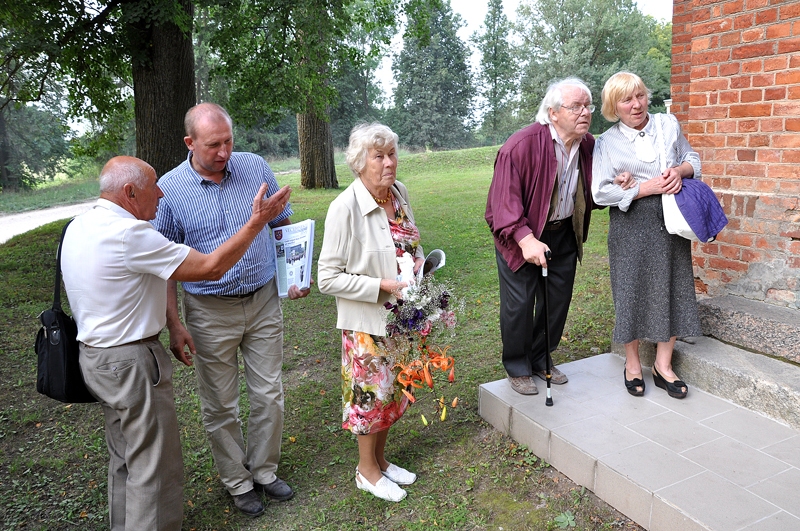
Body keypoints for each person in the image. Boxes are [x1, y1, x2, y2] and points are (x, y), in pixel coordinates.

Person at [61, 156, 286, 530]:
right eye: (153, 187)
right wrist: (256, 223)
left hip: (96, 358)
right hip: (131, 360)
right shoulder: (130, 234)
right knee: (155, 466)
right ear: (130, 193)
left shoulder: (79, 226)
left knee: (125, 459)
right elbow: (211, 266)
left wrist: (172, 322)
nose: (161, 193)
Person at [152, 103, 310, 517]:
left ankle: (264, 471)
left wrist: (295, 272)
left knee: (269, 393)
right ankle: (237, 482)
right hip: (208, 309)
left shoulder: (254, 167)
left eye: (228, 141)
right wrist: (174, 323)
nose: (224, 152)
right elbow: (165, 268)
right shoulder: (170, 190)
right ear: (190, 143)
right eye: (213, 145)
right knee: (220, 404)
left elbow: (282, 226)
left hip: (262, 299)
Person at [317, 123, 423, 502]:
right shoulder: (344, 207)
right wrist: (381, 285)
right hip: (366, 322)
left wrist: (420, 264)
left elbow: (411, 242)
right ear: (360, 163)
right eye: (378, 156)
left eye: (391, 154)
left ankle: (379, 460)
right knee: (371, 397)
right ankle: (366, 471)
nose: (388, 162)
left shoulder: (399, 193)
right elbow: (327, 278)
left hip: (401, 317)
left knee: (392, 393)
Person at [592, 71, 702, 399]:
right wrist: (643, 187)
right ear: (615, 107)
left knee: (672, 286)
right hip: (630, 224)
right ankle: (633, 364)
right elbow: (600, 193)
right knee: (630, 291)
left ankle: (663, 366)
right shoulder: (606, 142)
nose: (636, 104)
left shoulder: (668, 124)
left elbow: (693, 159)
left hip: (670, 220)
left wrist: (680, 172)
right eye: (626, 99)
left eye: (639, 95)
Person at [486, 77, 597, 396]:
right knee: (519, 303)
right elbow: (502, 203)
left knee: (555, 302)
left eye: (587, 106)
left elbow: (597, 189)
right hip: (520, 233)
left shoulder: (587, 145)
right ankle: (518, 366)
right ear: (553, 113)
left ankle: (540, 359)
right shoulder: (520, 146)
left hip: (563, 232)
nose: (585, 112)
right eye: (575, 106)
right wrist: (525, 240)